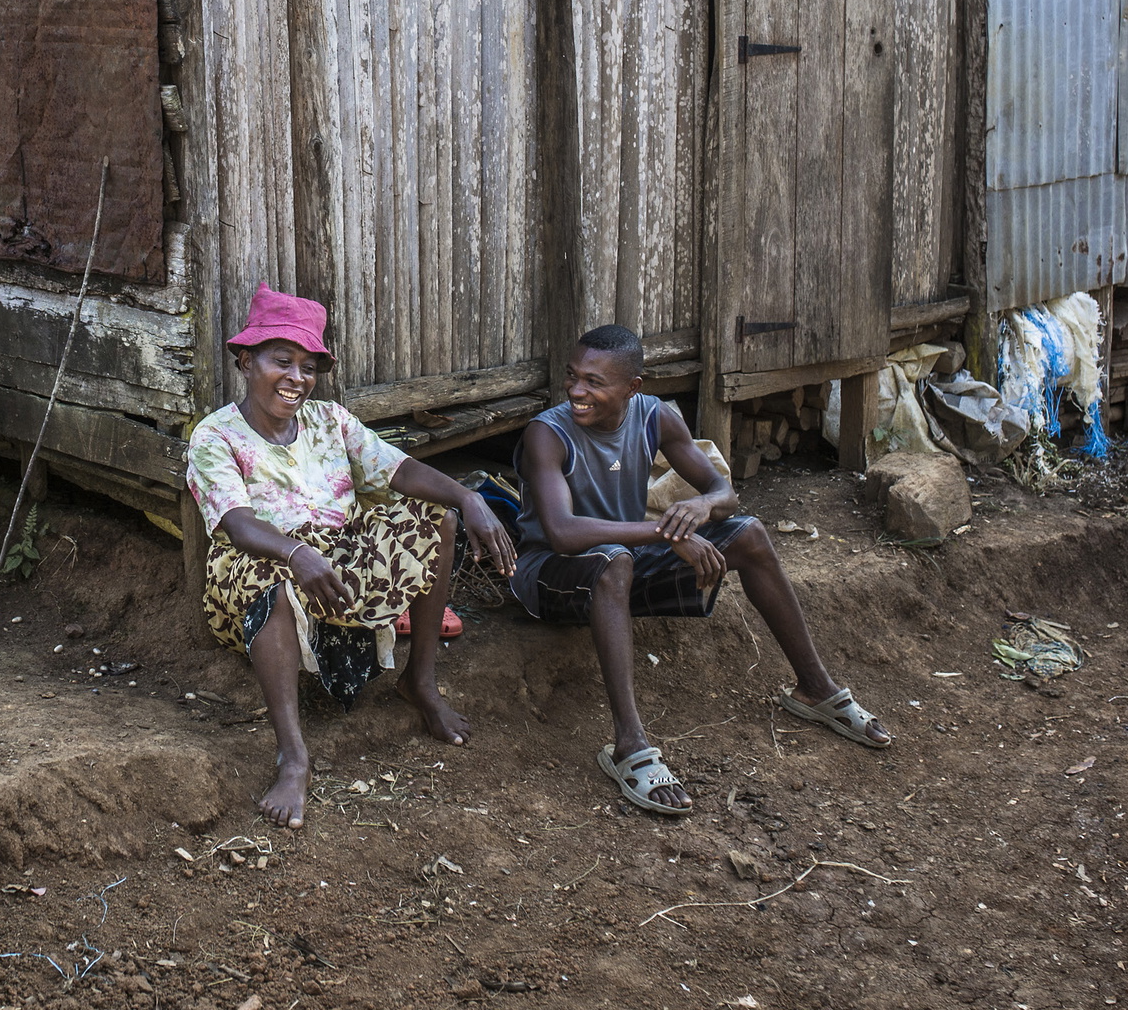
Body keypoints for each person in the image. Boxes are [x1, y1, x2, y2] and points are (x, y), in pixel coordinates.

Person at [514, 323, 891, 816]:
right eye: (572, 377)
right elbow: (561, 533)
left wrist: (704, 507)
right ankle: (629, 744)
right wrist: (668, 533)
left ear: (633, 388)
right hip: (550, 575)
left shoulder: (654, 417)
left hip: (619, 567)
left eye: (593, 382)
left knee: (749, 533)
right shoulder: (548, 433)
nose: (577, 391)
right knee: (614, 560)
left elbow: (724, 491)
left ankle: (815, 688)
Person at [187, 284, 515, 829]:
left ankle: (421, 683)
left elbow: (397, 469)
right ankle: (293, 756)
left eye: (309, 366)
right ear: (246, 362)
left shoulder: (330, 421)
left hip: (336, 559)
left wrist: (467, 494)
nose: (297, 378)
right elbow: (237, 525)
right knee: (265, 571)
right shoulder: (216, 436)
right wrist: (295, 552)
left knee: (441, 519)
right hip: (258, 565)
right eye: (282, 361)